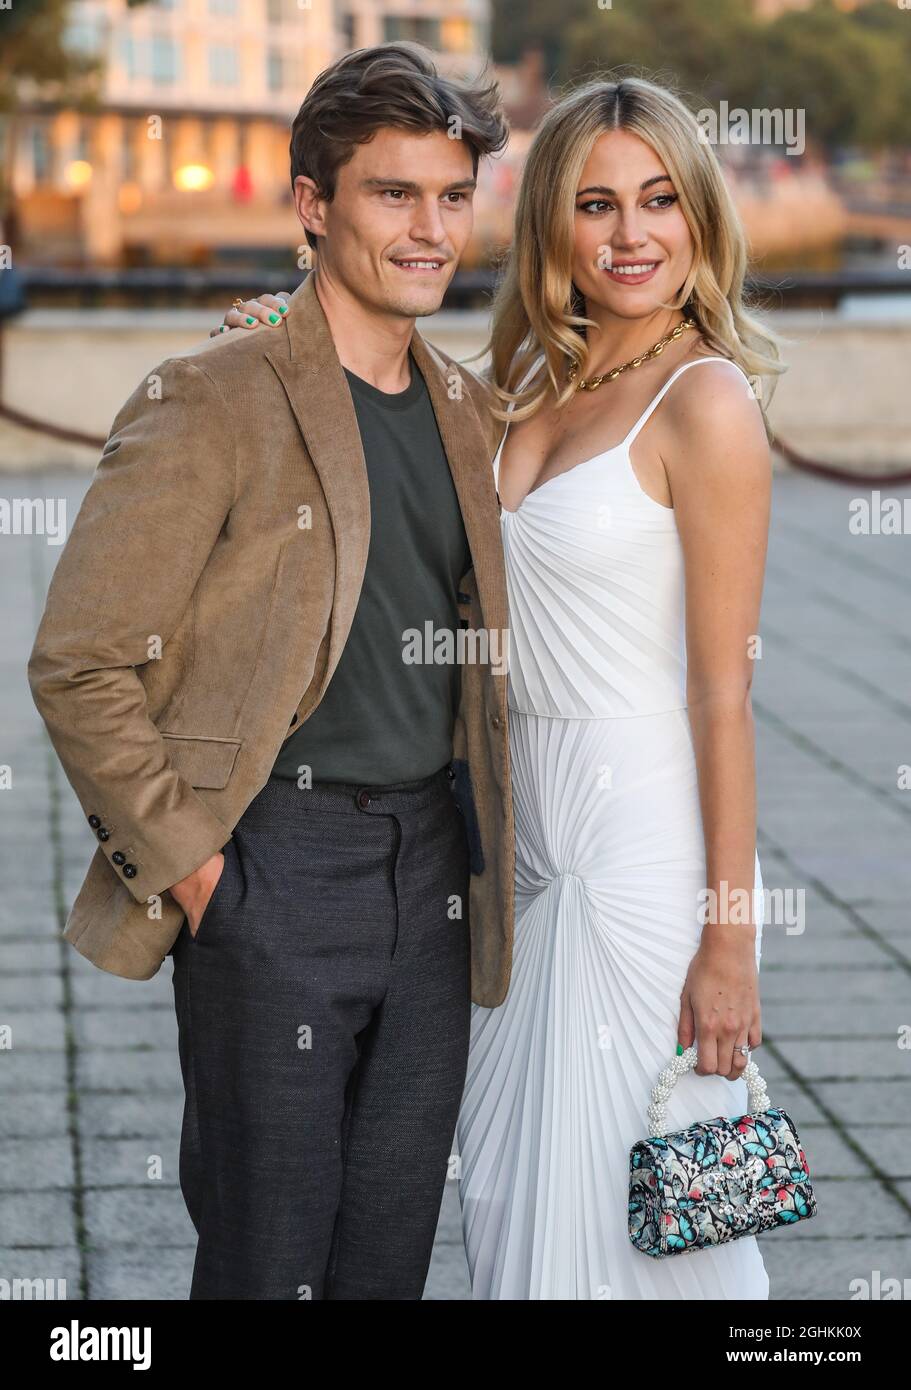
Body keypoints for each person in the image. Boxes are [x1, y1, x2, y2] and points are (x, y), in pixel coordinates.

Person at [223, 72, 785, 1299]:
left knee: (630, 1215)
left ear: (697, 218)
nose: (628, 236)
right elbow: (371, 395)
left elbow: (724, 696)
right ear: (551, 229)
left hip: (630, 862)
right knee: (514, 1204)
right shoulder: (530, 390)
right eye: (594, 204)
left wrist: (728, 939)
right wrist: (270, 333)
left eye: (656, 202)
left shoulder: (707, 403)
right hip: (508, 867)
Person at [27, 42, 513, 1300]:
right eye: (392, 193)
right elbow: (78, 661)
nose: (429, 229)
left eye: (451, 197)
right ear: (312, 205)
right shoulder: (213, 396)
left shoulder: (467, 409)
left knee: (387, 1258)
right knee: (269, 1260)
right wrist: (199, 871)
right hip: (271, 870)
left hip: (430, 871)